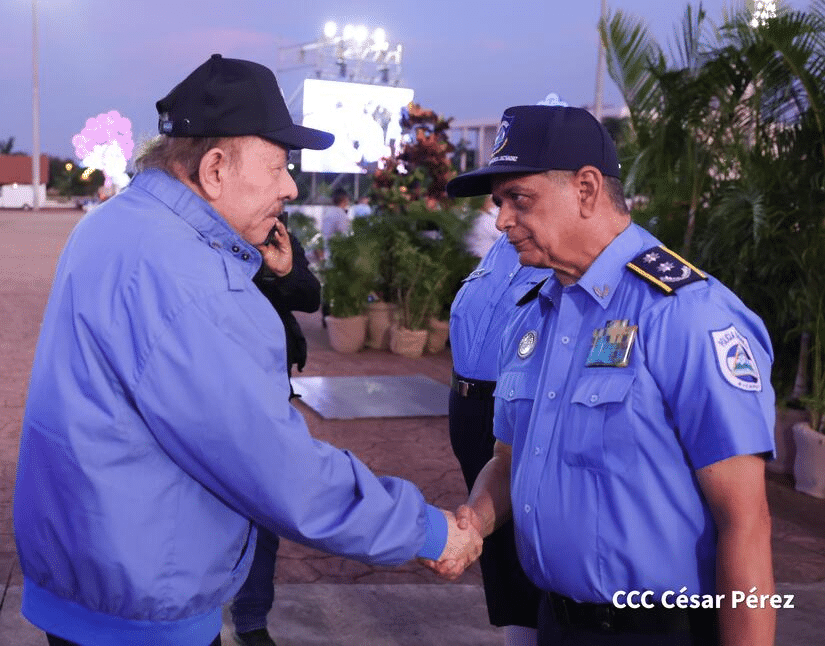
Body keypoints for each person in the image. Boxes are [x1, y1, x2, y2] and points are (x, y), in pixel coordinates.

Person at [13, 53, 481, 646]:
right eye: (280, 165)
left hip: (88, 571)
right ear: (213, 170)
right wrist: (427, 530)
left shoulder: (114, 223)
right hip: (142, 604)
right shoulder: (192, 278)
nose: (290, 186)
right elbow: (275, 468)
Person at [438, 105, 777, 646]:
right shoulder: (531, 315)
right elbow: (506, 460)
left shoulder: (685, 315)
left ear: (587, 189)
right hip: (555, 624)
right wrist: (474, 522)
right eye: (500, 202)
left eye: (518, 199)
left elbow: (746, 522)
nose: (501, 220)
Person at [449, 230, 552, 645]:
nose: (504, 213)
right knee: (498, 545)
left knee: (527, 533)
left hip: (510, 402)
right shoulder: (500, 247)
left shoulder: (555, 251)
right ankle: (517, 635)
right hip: (468, 404)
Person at [230, 215, 321, 646]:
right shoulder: (183, 236)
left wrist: (283, 270)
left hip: (267, 393)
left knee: (263, 512)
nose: (285, 189)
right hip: (208, 391)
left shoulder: (275, 231)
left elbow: (309, 296)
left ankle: (251, 619)